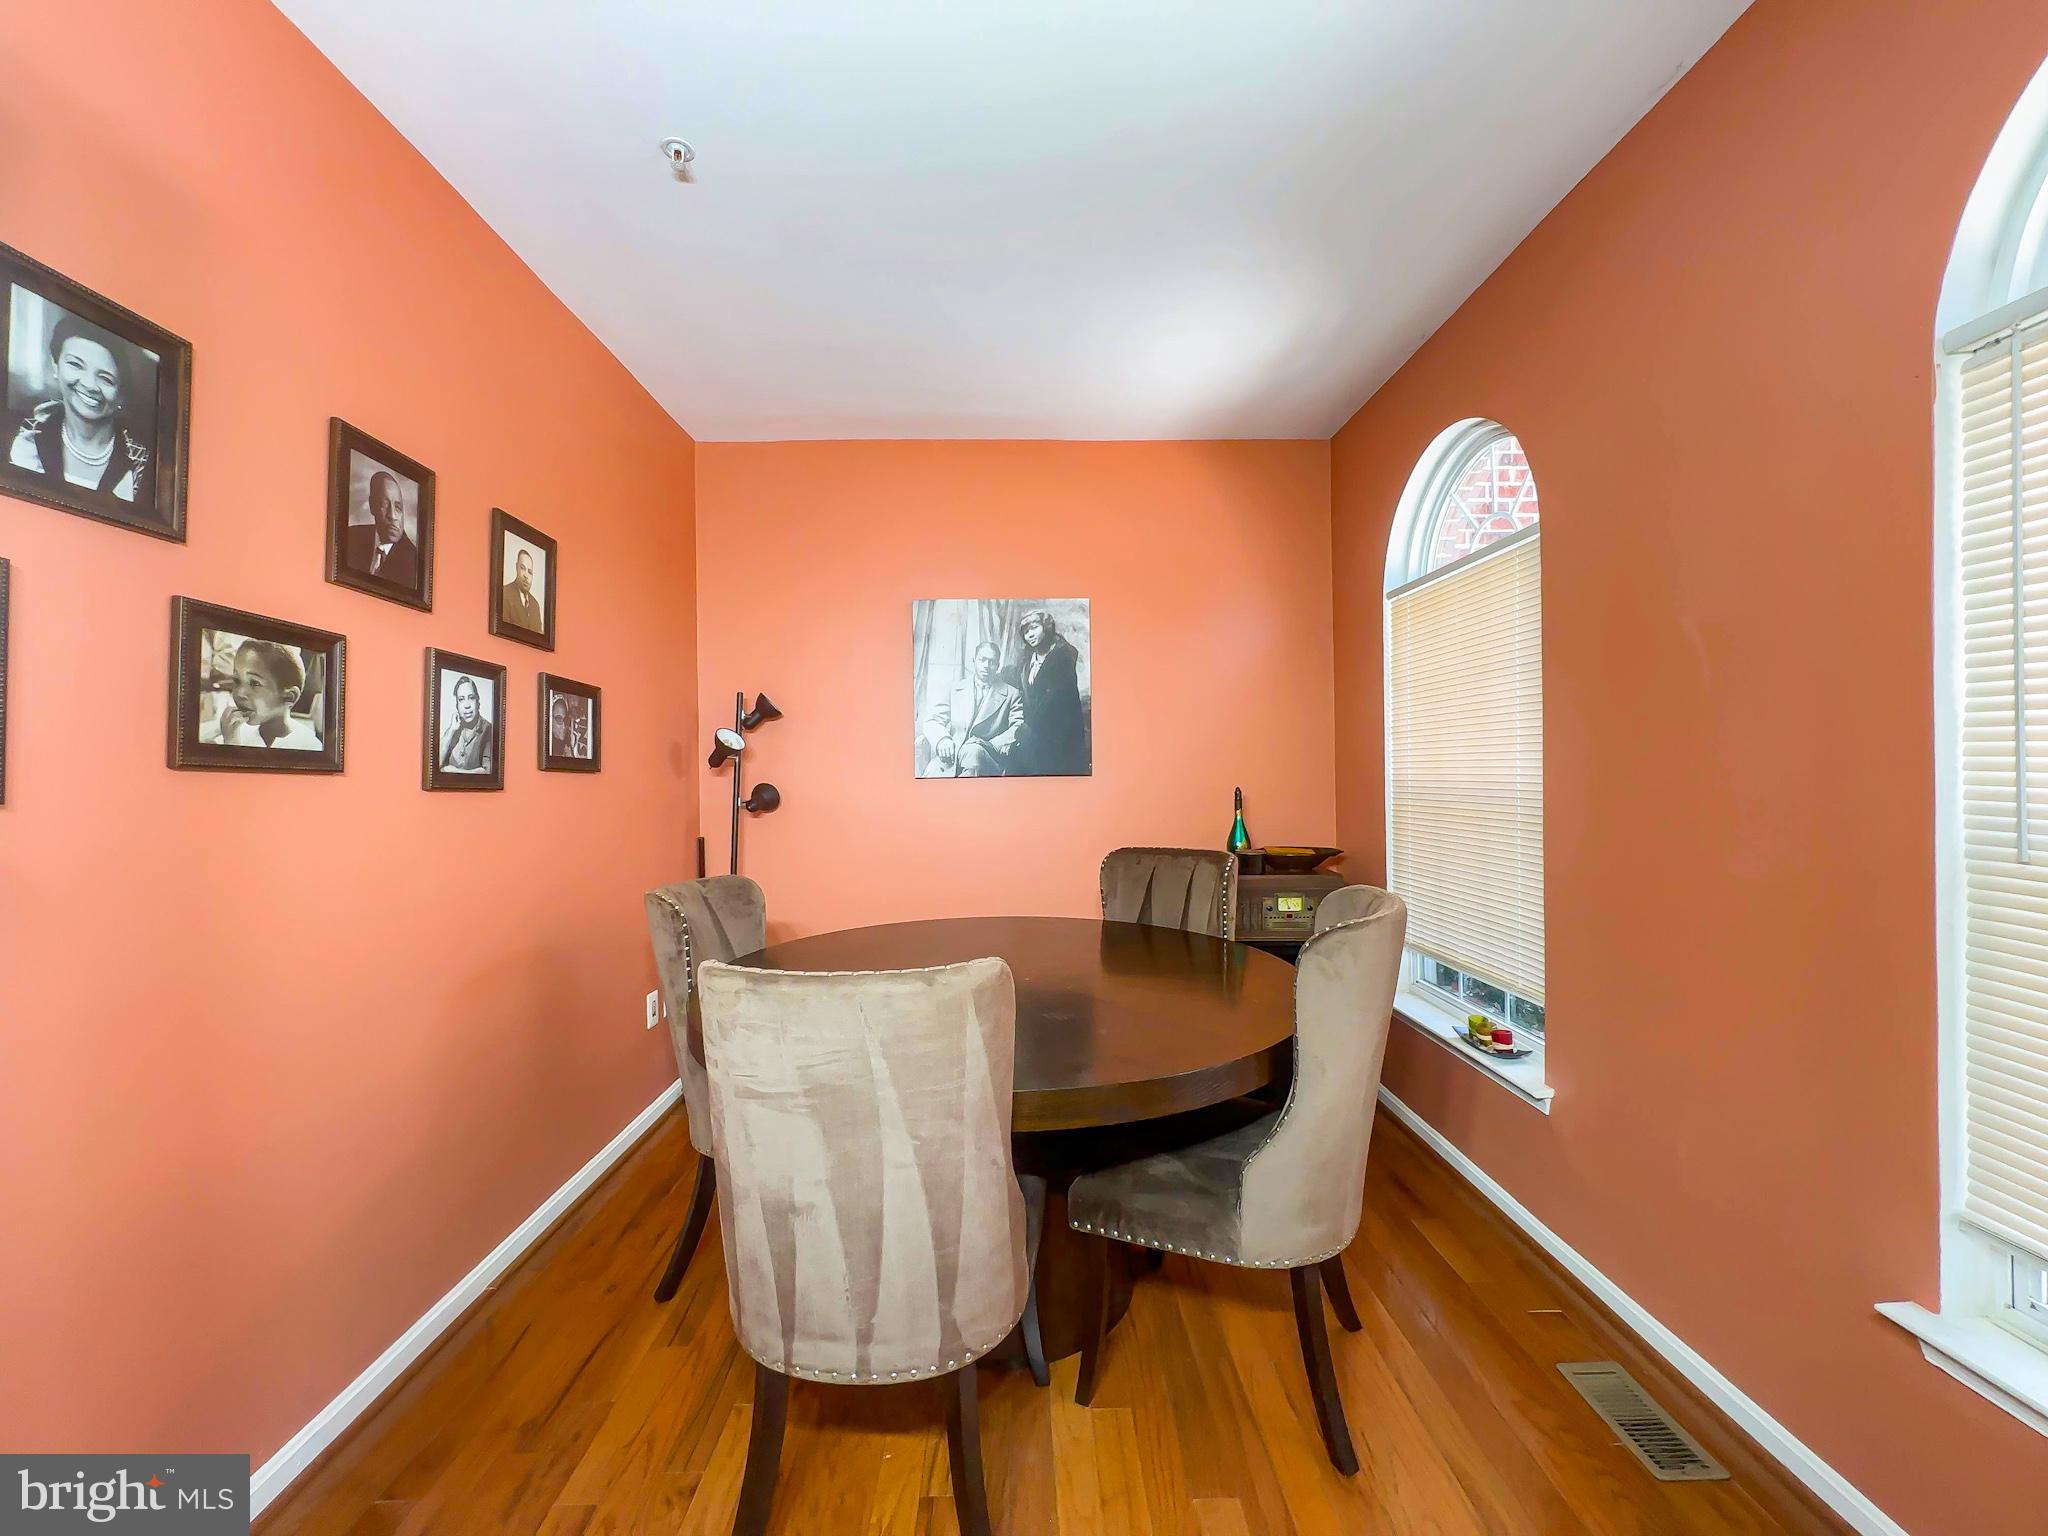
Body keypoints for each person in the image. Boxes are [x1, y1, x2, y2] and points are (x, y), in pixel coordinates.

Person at [7, 312, 153, 504]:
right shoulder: (21, 435)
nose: (90, 384)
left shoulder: (143, 462)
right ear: (55, 365)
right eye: (76, 364)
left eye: (106, 378)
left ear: (121, 391)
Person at [921, 641, 1022, 777]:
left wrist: (989, 745)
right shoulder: (955, 689)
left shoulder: (1011, 694)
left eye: (992, 662)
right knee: (930, 778)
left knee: (973, 755)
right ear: (974, 661)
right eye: (982, 660)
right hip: (952, 756)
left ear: (998, 666)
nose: (986, 666)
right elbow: (933, 720)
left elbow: (1018, 727)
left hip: (986, 757)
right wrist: (942, 739)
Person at [203, 639, 321, 750]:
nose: (240, 693)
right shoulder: (232, 733)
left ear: (289, 696)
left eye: (254, 683)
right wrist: (230, 742)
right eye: (237, 680)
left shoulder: (308, 745)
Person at [1010, 609, 1088, 775]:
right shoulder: (1027, 659)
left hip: (1060, 732)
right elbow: (1018, 682)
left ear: (1046, 628)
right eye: (1026, 631)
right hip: (1035, 732)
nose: (1030, 635)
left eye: (1034, 628)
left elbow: (1052, 699)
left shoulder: (1063, 658)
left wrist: (1026, 728)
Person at [344, 470, 419, 585]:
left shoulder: (414, 562)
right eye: (385, 505)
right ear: (372, 505)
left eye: (398, 508)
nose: (393, 516)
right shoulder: (350, 536)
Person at [440, 675, 494, 772]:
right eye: (461, 699)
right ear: (457, 705)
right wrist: (451, 730)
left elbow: (488, 772)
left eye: (471, 698)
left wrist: (449, 770)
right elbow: (435, 763)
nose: (467, 705)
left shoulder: (488, 729)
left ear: (478, 702)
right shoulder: (454, 728)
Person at [501, 547, 544, 632]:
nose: (526, 576)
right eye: (523, 568)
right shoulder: (505, 593)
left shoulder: (535, 605)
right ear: (516, 567)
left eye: (530, 572)